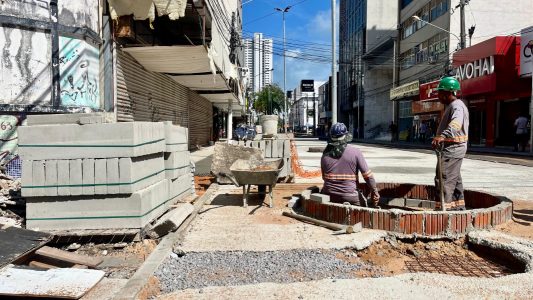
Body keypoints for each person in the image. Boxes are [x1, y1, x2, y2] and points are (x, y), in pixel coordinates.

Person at [432, 77, 469, 211]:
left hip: (452, 149)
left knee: (444, 179)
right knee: (455, 179)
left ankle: (443, 213)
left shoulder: (456, 105)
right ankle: (458, 209)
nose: (438, 96)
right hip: (453, 149)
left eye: (439, 93)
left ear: (447, 93)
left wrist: (442, 136)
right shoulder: (454, 105)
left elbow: (456, 124)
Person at [320, 123, 380, 206]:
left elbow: (324, 177)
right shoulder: (355, 152)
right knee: (365, 209)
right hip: (350, 196)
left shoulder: (325, 154)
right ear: (346, 136)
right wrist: (375, 192)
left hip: (329, 195)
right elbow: (368, 176)